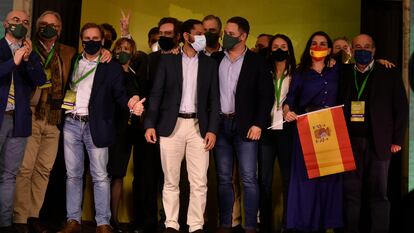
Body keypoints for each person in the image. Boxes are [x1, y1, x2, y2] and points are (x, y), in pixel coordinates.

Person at [57, 22, 144, 233]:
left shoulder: (111, 65)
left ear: (103, 41)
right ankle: (73, 220)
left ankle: (103, 223)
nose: (91, 42)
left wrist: (131, 104)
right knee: (73, 175)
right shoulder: (74, 60)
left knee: (100, 175)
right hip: (71, 123)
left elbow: (119, 93)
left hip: (97, 125)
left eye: (96, 39)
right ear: (81, 40)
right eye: (87, 39)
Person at [144, 19, 220, 233]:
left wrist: (213, 129)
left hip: (199, 127)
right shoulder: (168, 62)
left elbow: (214, 100)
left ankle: (196, 225)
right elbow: (156, 95)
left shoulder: (210, 63)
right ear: (186, 36)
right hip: (171, 126)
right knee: (171, 179)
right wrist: (150, 124)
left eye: (205, 33)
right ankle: (171, 224)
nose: (204, 37)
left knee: (199, 181)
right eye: (199, 33)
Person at [11, 10, 76, 233]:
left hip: (54, 118)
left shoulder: (67, 52)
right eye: (44, 24)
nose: (49, 28)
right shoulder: (27, 47)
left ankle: (33, 215)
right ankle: (20, 217)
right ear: (37, 27)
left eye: (54, 25)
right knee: (25, 169)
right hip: (31, 114)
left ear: (59, 29)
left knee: (43, 171)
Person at [339, 34, 408, 233]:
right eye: (358, 47)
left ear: (374, 50)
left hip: (380, 143)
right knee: (350, 195)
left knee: (379, 195)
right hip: (349, 143)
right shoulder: (343, 73)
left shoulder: (389, 72)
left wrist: (397, 139)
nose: (363, 50)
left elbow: (401, 108)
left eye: (367, 47)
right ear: (351, 50)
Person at [211, 16, 274, 233]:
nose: (225, 37)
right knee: (224, 178)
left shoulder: (258, 62)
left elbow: (266, 97)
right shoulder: (216, 58)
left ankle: (250, 226)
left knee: (248, 178)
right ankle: (226, 224)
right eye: (225, 33)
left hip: (246, 126)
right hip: (220, 125)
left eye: (230, 34)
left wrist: (258, 124)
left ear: (243, 36)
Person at [283, 31, 343, 233]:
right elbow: (290, 100)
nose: (318, 46)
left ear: (329, 48)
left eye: (323, 43)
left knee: (329, 180)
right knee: (306, 179)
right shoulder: (300, 73)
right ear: (309, 47)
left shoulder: (337, 70)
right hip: (307, 128)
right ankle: (305, 225)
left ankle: (328, 224)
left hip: (332, 129)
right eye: (315, 43)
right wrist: (287, 111)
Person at [132, 17, 182, 233]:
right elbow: (141, 89)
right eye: (161, 33)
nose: (164, 37)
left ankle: (172, 221)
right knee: (147, 176)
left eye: (169, 33)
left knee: (174, 177)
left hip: (179, 127)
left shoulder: (187, 60)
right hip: (151, 125)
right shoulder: (150, 60)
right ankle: (147, 222)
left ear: (179, 36)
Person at [0, 9, 46, 233]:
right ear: (5, 24)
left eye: (25, 22)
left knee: (9, 175)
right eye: (16, 20)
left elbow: (40, 79)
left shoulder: (30, 53)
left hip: (19, 121)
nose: (21, 24)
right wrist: (13, 62)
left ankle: (5, 223)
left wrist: (27, 60)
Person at [258, 34, 296, 233]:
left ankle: (288, 224)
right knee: (264, 180)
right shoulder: (263, 71)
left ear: (289, 50)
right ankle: (265, 224)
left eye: (283, 46)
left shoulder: (297, 73)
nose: (279, 49)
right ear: (270, 50)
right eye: (275, 46)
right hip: (266, 129)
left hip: (288, 130)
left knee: (289, 179)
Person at [108, 37, 145, 233]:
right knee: (103, 174)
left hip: (127, 131)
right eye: (119, 48)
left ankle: (113, 219)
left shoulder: (134, 73)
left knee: (118, 174)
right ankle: (104, 219)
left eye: (127, 49)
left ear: (133, 53)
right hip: (110, 128)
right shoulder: (109, 69)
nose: (123, 52)